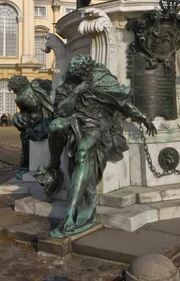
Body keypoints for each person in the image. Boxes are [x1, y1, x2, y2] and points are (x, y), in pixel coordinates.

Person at [35, 54, 156, 237]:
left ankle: (71, 212)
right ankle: (53, 164)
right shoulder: (68, 83)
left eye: (81, 74)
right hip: (75, 121)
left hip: (97, 125)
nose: (76, 77)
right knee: (55, 126)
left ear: (88, 70)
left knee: (83, 151)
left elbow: (123, 103)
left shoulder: (102, 80)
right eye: (74, 74)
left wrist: (143, 117)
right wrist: (76, 92)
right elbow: (60, 111)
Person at [7, 76, 53, 179]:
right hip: (48, 118)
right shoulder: (37, 83)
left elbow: (35, 116)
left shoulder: (22, 98)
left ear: (15, 88)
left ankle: (25, 166)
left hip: (41, 124)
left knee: (25, 137)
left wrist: (20, 120)